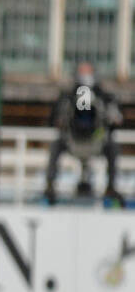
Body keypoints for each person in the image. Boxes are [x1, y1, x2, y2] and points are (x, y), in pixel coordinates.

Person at [46, 61, 124, 206]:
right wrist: (61, 119)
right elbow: (52, 120)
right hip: (72, 141)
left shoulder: (105, 97)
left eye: (88, 72)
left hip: (96, 142)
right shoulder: (67, 96)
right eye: (83, 72)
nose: (85, 76)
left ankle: (111, 187)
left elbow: (116, 123)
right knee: (55, 145)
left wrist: (112, 118)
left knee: (112, 147)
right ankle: (50, 185)